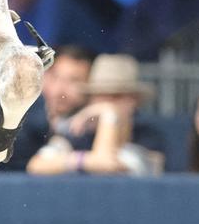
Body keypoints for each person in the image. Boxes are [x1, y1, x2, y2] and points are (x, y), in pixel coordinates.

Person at [27, 53, 165, 176]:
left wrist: (108, 115)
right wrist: (83, 160)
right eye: (100, 95)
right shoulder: (80, 133)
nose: (107, 102)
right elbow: (36, 165)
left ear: (134, 100)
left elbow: (106, 169)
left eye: (116, 96)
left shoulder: (148, 136)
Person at [3, 45, 95, 170]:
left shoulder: (89, 122)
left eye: (74, 81)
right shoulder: (12, 112)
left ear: (91, 86)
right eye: (55, 77)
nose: (60, 89)